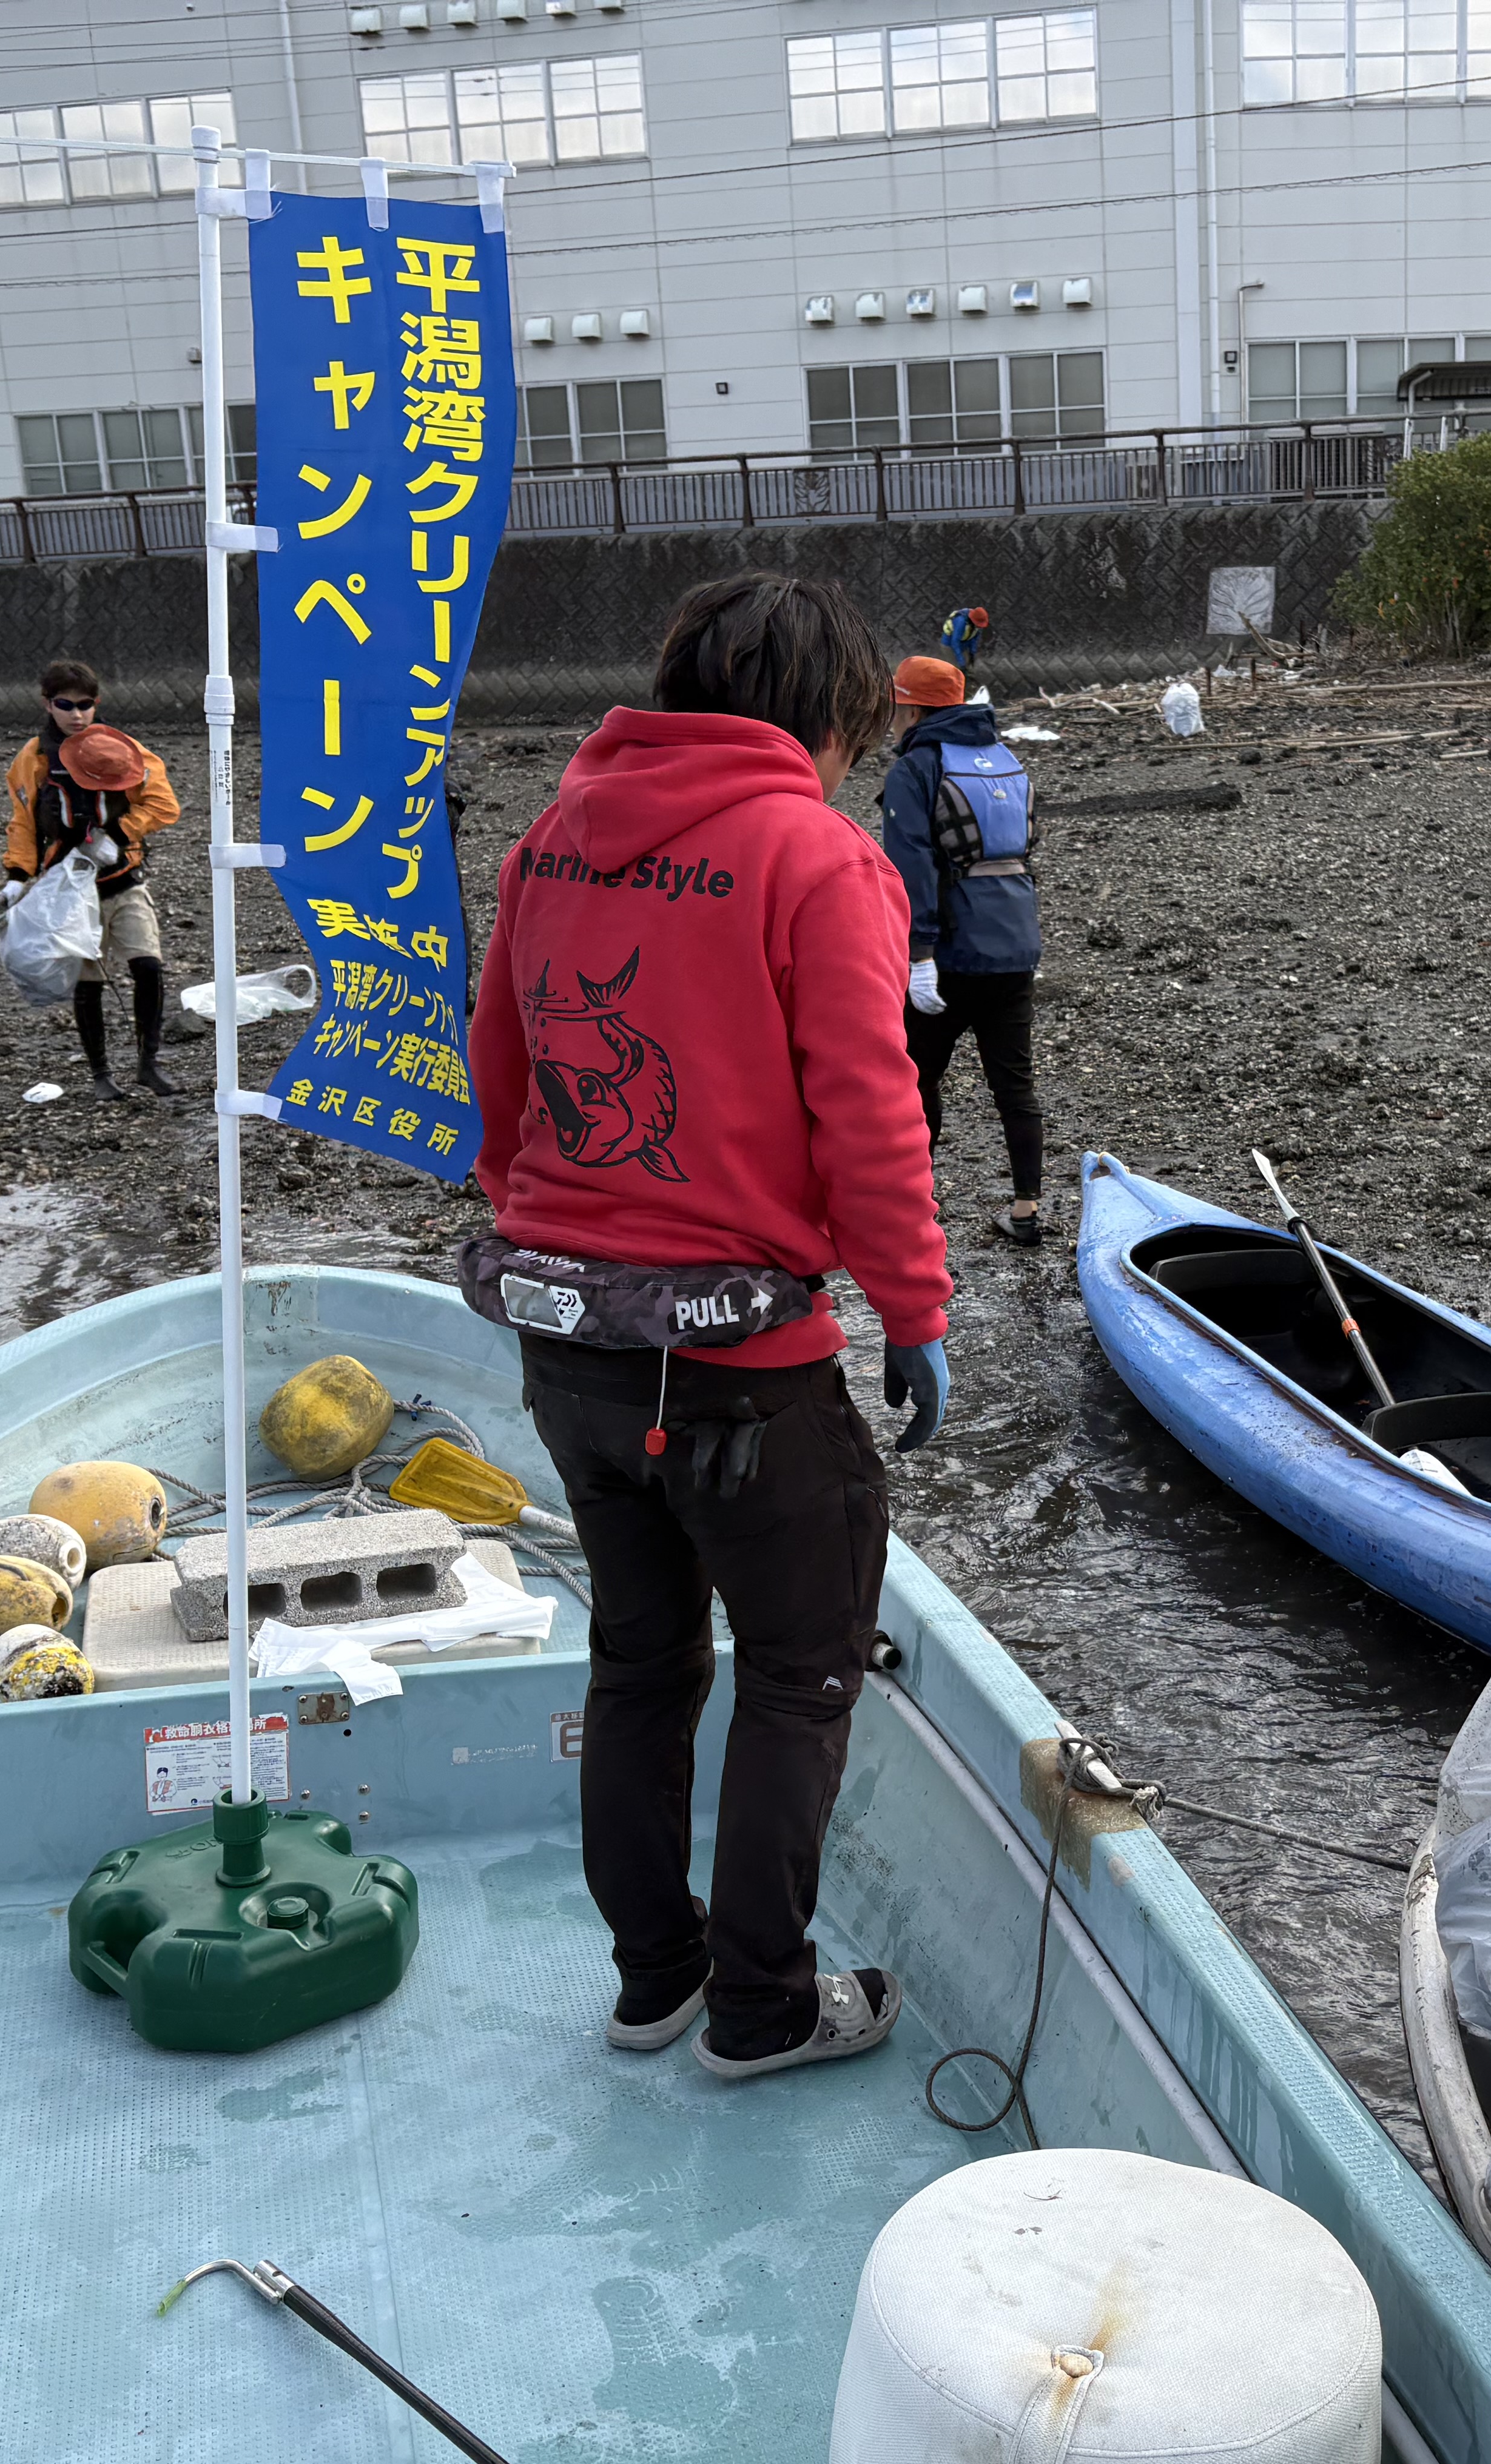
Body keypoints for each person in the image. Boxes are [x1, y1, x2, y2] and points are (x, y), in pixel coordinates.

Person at [463, 570, 954, 2081]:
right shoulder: (816, 854)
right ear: (828, 717)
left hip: (574, 1348)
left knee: (641, 1661)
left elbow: (502, 1068)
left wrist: (559, 1219)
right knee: (800, 1675)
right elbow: (871, 1117)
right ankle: (762, 2005)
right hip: (744, 1365)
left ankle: (655, 1979)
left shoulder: (557, 839)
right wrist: (914, 1309)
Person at [877, 645, 1046, 1244]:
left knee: (918, 1078)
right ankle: (1028, 1209)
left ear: (915, 712)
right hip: (1016, 948)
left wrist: (917, 953)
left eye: (898, 709)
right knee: (1015, 1083)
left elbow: (910, 866)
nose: (894, 720)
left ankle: (919, 1207)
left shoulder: (915, 769)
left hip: (948, 956)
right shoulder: (1006, 759)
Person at [0, 660, 183, 1099]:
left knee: (149, 967)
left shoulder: (125, 750)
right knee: (89, 981)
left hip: (124, 877)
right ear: (49, 705)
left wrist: (118, 834)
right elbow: (24, 823)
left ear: (96, 704)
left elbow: (163, 805)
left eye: (86, 705)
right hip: (69, 889)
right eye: (66, 705)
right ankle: (101, 1075)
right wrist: (16, 875)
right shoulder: (34, 759)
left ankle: (148, 1064)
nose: (76, 715)